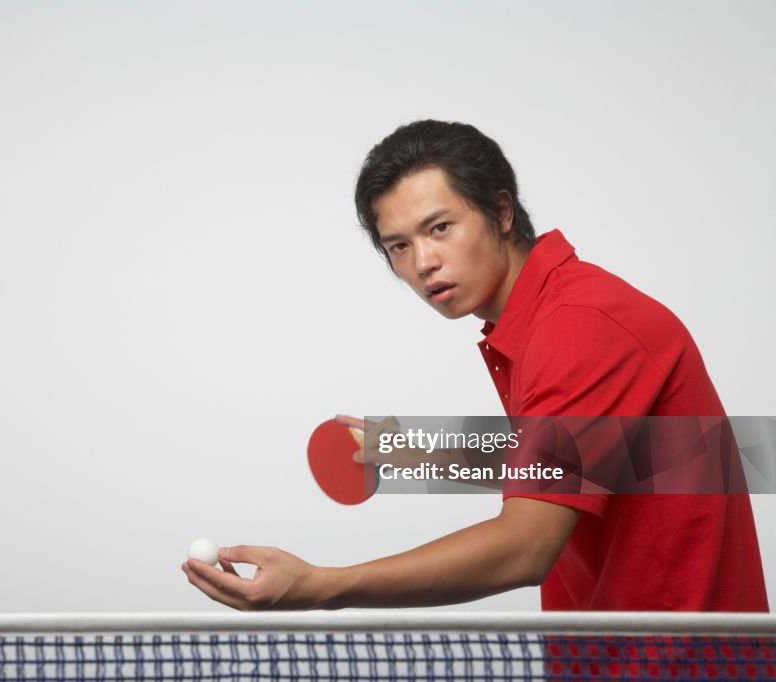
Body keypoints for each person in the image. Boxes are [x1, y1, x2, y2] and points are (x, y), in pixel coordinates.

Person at [181, 120, 769, 612]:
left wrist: (322, 586)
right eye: (399, 246)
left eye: (440, 228)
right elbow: (616, 462)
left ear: (501, 211)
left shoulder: (578, 326)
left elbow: (525, 547)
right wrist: (421, 453)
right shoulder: (546, 318)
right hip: (615, 658)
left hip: (676, 663)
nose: (423, 263)